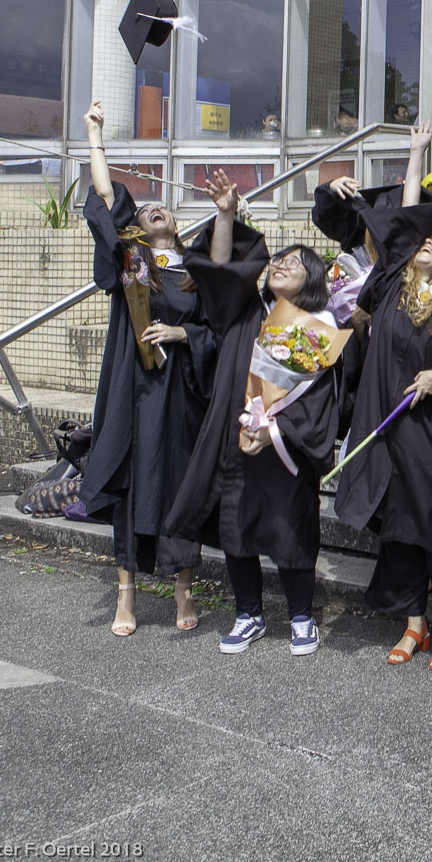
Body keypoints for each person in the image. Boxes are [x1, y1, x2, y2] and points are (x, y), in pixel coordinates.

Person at [313, 124, 432, 671]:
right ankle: (414, 621)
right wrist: (414, 154)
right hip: (386, 423)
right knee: (400, 529)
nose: (429, 240)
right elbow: (407, 223)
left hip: (431, 426)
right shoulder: (389, 286)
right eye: (422, 240)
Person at [164, 172, 340, 658]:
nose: (280, 264)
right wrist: (225, 215)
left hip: (284, 448)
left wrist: (276, 430)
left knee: (291, 527)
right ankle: (248, 614)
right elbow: (221, 271)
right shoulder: (246, 310)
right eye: (278, 259)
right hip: (237, 435)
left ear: (313, 279)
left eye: (294, 262)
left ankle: (301, 616)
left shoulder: (319, 327)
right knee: (236, 527)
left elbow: (319, 401)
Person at [77, 102, 217, 637]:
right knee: (133, 484)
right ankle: (127, 594)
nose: (156, 208)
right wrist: (95, 136)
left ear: (177, 227)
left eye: (165, 208)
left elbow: (218, 332)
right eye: (148, 208)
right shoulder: (132, 266)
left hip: (181, 394)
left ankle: (184, 590)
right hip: (135, 393)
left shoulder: (196, 273)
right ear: (136, 228)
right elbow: (106, 197)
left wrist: (184, 335)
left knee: (181, 484)